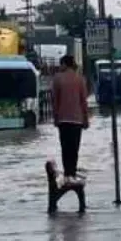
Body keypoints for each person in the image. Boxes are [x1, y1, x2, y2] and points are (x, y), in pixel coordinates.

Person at [51, 55, 90, 185]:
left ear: (65, 64)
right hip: (77, 121)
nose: (59, 67)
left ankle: (67, 174)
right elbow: (83, 101)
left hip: (63, 120)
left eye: (61, 64)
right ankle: (72, 174)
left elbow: (55, 101)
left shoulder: (57, 79)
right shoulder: (80, 79)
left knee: (65, 148)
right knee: (74, 148)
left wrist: (55, 118)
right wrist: (86, 119)